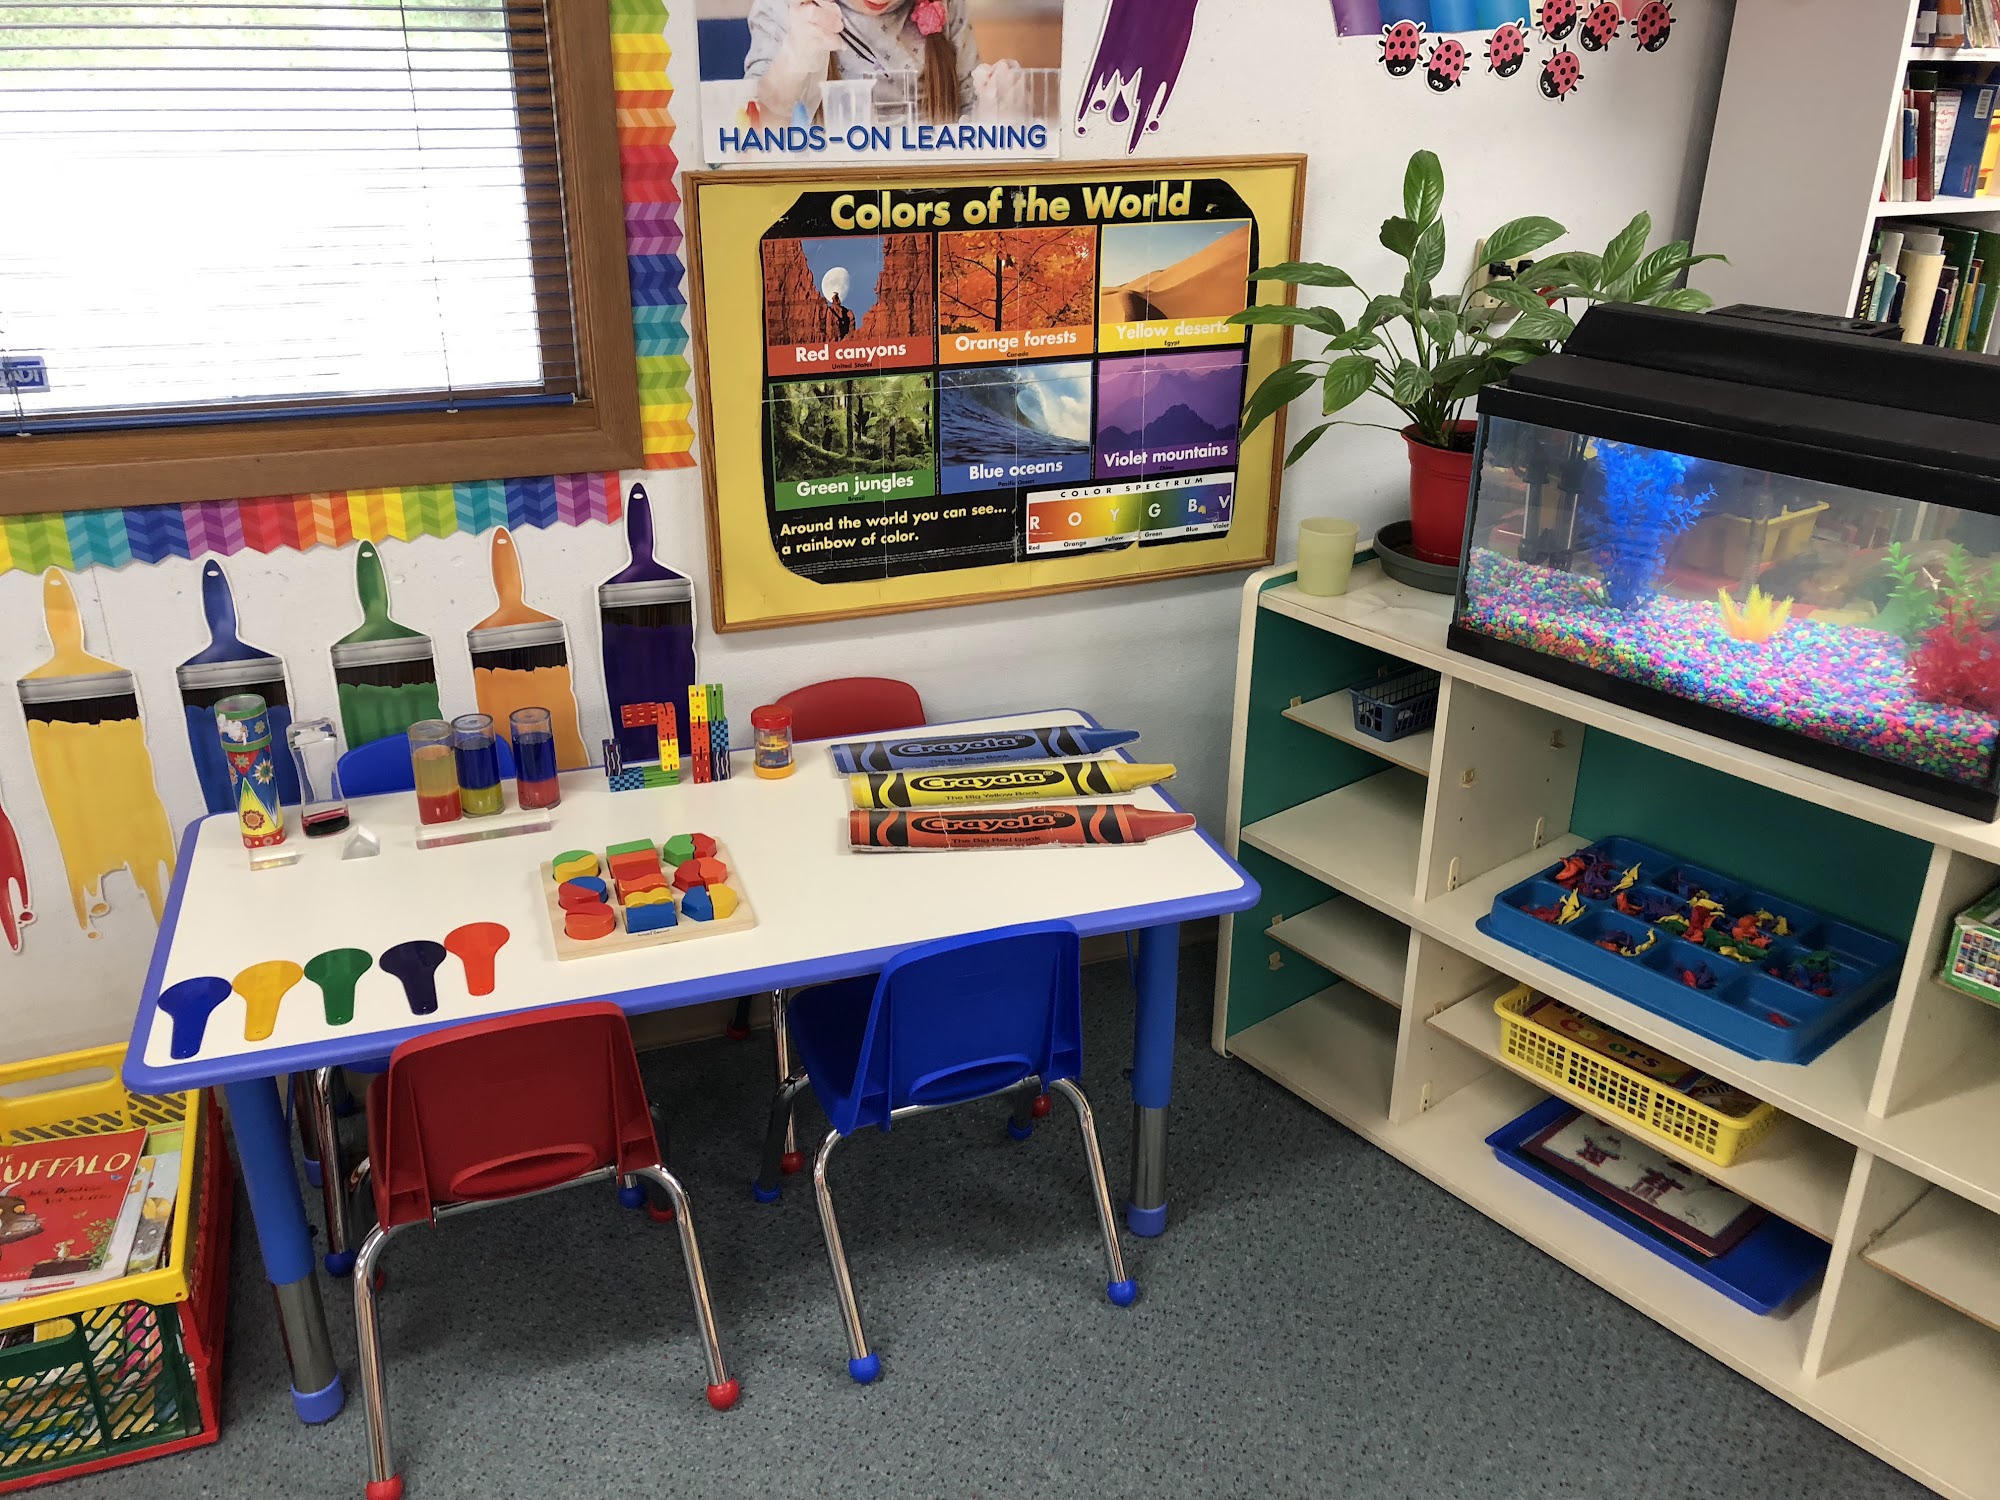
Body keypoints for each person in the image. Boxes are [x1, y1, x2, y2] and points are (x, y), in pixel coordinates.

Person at [745, 0, 1024, 126]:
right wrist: (792, 61)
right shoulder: (783, 7)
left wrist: (995, 108)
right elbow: (750, 133)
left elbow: (969, 113)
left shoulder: (947, 5)